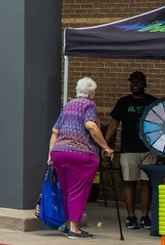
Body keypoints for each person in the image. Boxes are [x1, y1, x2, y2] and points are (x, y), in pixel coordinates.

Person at [50, 77, 116, 240]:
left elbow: (55, 131)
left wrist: (50, 154)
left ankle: (67, 225)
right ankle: (74, 229)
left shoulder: (68, 105)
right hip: (80, 154)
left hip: (59, 152)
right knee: (77, 191)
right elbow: (91, 126)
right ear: (92, 92)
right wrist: (105, 147)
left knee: (66, 190)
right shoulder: (89, 105)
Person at [105, 70, 157, 230]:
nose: (134, 85)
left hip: (148, 149)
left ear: (145, 84)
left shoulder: (152, 102)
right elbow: (113, 125)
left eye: (138, 82)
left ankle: (145, 216)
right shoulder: (123, 102)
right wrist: (105, 146)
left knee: (146, 184)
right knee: (129, 183)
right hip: (128, 149)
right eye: (132, 82)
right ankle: (130, 216)